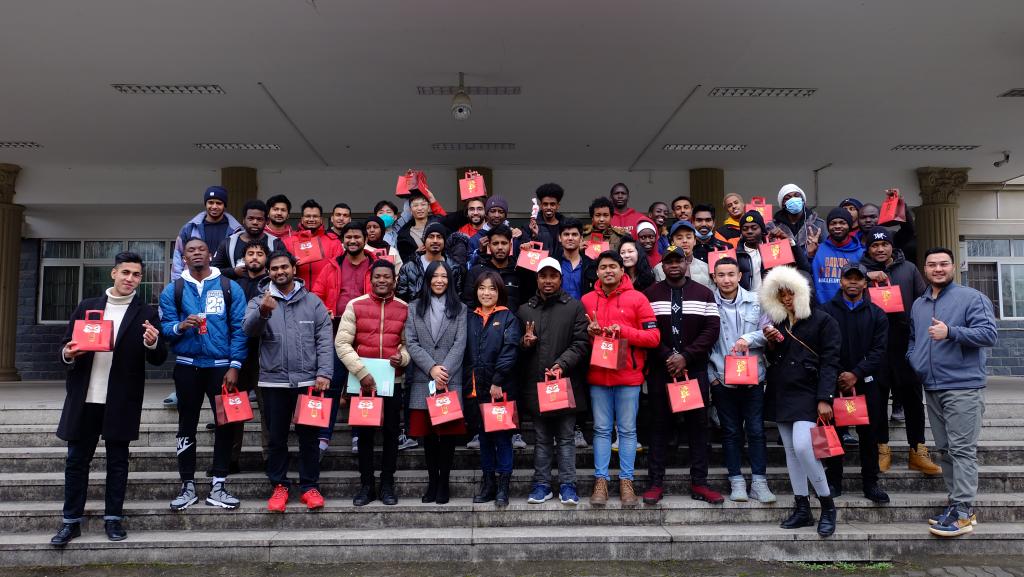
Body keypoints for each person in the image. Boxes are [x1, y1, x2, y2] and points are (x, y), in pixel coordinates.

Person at [50, 252, 167, 546]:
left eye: (136, 275)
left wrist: (153, 342)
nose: (130, 279)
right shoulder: (87, 306)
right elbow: (65, 346)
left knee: (117, 462)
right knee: (76, 461)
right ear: (113, 273)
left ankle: (113, 519)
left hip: (121, 399)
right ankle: (70, 522)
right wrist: (68, 353)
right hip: (85, 397)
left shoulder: (146, 313)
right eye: (125, 272)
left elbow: (159, 357)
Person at [908, 247, 998, 538]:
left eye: (944, 264)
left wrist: (951, 332)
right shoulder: (919, 304)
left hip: (963, 386)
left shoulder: (972, 298)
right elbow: (914, 338)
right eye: (932, 264)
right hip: (933, 386)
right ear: (925, 269)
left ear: (953, 267)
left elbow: (989, 334)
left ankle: (964, 512)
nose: (938, 269)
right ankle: (956, 504)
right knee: (945, 450)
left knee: (962, 450)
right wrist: (915, 359)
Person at [159, 238, 248, 511]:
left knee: (226, 425)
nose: (196, 253)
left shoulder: (229, 287)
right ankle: (187, 485)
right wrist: (180, 326)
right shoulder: (173, 289)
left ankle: (219, 485)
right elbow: (165, 328)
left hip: (222, 367)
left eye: (201, 249)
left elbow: (240, 329)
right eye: (191, 250)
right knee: (186, 425)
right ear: (184, 258)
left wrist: (235, 365)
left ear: (210, 255)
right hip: (187, 366)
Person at [243, 250, 334, 512]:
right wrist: (263, 312)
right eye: (274, 268)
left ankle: (309, 486)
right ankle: (279, 486)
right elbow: (248, 330)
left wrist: (324, 373)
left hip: (308, 381)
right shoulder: (259, 300)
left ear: (294, 269)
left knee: (309, 437)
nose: (280, 272)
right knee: (276, 438)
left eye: (284, 267)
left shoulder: (313, 302)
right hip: (274, 382)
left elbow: (324, 340)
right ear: (268, 272)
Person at [760, 265, 840, 538]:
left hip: (810, 391)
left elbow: (831, 362)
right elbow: (774, 359)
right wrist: (772, 344)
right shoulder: (778, 322)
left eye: (790, 293)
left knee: (805, 447)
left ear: (803, 292)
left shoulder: (824, 321)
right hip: (782, 390)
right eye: (781, 294)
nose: (786, 299)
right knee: (791, 452)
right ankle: (802, 507)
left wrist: (825, 398)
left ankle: (827, 505)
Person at [641, 245, 722, 505]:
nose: (674, 265)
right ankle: (655, 483)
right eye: (669, 262)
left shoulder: (704, 293)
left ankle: (699, 482)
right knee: (658, 427)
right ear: (662, 266)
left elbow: (712, 330)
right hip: (661, 370)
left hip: (694, 370)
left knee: (698, 428)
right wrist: (668, 356)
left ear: (687, 263)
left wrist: (686, 356)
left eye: (678, 261)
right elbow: (647, 330)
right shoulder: (650, 294)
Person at [859, 227, 941, 476]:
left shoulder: (909, 269)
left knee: (913, 398)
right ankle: (882, 448)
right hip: (875, 344)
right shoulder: (859, 270)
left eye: (884, 244)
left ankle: (918, 450)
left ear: (891, 246)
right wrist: (866, 276)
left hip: (906, 342)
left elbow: (923, 300)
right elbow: (849, 290)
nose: (880, 249)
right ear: (868, 249)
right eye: (875, 245)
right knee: (877, 399)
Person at [581, 251, 660, 507]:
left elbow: (653, 338)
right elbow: (579, 340)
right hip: (598, 375)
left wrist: (624, 331)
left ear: (622, 270)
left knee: (627, 430)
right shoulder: (586, 300)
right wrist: (591, 334)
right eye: (603, 267)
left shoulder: (638, 298)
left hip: (628, 376)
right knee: (601, 430)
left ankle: (627, 481)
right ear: (597, 272)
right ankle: (601, 480)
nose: (608, 271)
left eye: (613, 266)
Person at [335, 260, 411, 506]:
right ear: (371, 279)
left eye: (387, 277)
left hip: (392, 381)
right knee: (365, 435)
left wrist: (403, 358)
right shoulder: (355, 305)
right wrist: (361, 372)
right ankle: (366, 485)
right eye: (377, 276)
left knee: (391, 434)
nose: (382, 280)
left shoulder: (404, 308)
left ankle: (387, 484)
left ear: (394, 280)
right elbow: (342, 343)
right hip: (362, 383)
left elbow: (408, 344)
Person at [518, 258, 590, 506]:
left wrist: (562, 364)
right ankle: (541, 484)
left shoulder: (574, 307)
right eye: (543, 276)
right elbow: (515, 348)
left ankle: (568, 485)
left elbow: (581, 343)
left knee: (566, 437)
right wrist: (525, 343)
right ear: (537, 279)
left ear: (561, 279)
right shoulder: (525, 310)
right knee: (541, 438)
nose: (548, 281)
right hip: (536, 385)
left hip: (566, 384)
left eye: (553, 276)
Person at [819, 263, 890, 503]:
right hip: (834, 382)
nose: (852, 282)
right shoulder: (825, 311)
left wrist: (856, 373)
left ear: (865, 283)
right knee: (834, 434)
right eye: (848, 278)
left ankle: (870, 483)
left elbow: (879, 351)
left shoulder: (877, 313)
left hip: (866, 382)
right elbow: (822, 349)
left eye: (857, 279)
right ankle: (833, 481)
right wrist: (840, 375)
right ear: (840, 281)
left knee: (869, 436)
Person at [707, 256, 775, 504]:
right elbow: (703, 342)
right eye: (721, 275)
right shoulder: (708, 304)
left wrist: (749, 338)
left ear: (739, 276)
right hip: (722, 379)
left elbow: (769, 332)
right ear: (714, 278)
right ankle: (736, 480)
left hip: (753, 378)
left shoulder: (757, 301)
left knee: (756, 430)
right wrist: (712, 379)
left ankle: (759, 482)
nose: (726, 279)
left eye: (730, 274)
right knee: (731, 431)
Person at [311, 221, 380, 456]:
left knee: (362, 385)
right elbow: (316, 296)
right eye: (348, 237)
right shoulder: (332, 266)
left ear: (365, 240)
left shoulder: (376, 265)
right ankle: (323, 436)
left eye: (357, 237)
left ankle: (359, 434)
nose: (352, 241)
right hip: (336, 331)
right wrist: (324, 310)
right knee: (331, 384)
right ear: (343, 240)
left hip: (367, 332)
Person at [404, 261, 468, 505]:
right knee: (429, 437)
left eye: (444, 276)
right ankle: (432, 482)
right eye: (435, 276)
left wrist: (443, 371)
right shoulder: (413, 308)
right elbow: (411, 342)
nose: (440, 280)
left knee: (448, 436)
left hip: (450, 379)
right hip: (424, 378)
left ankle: (444, 483)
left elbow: (460, 343)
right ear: (427, 279)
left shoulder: (460, 309)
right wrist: (431, 368)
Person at [466, 271, 522, 508]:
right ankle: (488, 483)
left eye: (492, 289)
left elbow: (510, 351)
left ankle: (503, 486)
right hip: (476, 390)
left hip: (501, 389)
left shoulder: (508, 317)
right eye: (482, 288)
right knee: (484, 438)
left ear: (500, 292)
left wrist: (497, 381)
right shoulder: (470, 317)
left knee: (503, 438)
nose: (486, 293)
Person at [228, 240, 271, 471]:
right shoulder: (233, 284)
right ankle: (231, 459)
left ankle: (269, 458)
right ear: (243, 258)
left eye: (260, 253)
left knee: (268, 410)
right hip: (238, 354)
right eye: (250, 253)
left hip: (266, 354)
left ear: (267, 258)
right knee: (235, 406)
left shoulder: (272, 284)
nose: (255, 257)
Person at [171, 186, 242, 280]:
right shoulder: (189, 228)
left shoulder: (236, 230)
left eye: (219, 203)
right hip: (194, 281)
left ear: (224, 205)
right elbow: (178, 258)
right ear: (205, 204)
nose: (214, 206)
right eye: (211, 202)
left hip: (226, 281)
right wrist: (177, 284)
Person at [463, 224, 534, 312]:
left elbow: (528, 304)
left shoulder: (520, 271)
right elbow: (469, 305)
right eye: (495, 243)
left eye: (504, 243)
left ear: (510, 245)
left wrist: (528, 257)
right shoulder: (476, 272)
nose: (500, 247)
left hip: (513, 320)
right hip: (483, 320)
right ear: (489, 246)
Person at [211, 200, 284, 280]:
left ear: (266, 221)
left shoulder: (276, 243)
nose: (255, 222)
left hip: (267, 287)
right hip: (234, 287)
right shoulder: (227, 243)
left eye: (259, 219)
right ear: (243, 220)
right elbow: (213, 270)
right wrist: (233, 272)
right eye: (250, 218)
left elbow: (285, 269)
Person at [398, 222, 464, 304]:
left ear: (444, 241)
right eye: (431, 237)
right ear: (424, 241)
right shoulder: (409, 267)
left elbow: (457, 297)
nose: (435, 241)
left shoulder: (454, 267)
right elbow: (401, 299)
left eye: (439, 237)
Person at [811, 207, 865, 304]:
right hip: (822, 308)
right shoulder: (817, 249)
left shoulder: (861, 252)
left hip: (852, 308)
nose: (837, 226)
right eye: (833, 223)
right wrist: (809, 255)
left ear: (849, 226)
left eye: (842, 223)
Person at [283, 199, 339, 289]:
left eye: (315, 216)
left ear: (321, 220)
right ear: (302, 219)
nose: (311, 219)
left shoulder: (334, 242)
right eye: (308, 216)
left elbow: (338, 272)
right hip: (295, 293)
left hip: (324, 293)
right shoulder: (288, 242)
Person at [654, 220, 712, 290]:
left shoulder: (706, 268)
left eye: (689, 237)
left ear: (695, 241)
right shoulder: (659, 269)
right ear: (672, 242)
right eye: (679, 238)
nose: (685, 241)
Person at [773, 183, 826, 256]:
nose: (793, 199)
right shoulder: (774, 226)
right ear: (782, 204)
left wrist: (815, 251)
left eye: (797, 195)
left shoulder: (819, 224)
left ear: (803, 200)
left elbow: (827, 252)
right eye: (787, 198)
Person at [558, 218, 597, 301]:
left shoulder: (591, 265)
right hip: (557, 308)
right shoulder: (552, 263)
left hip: (583, 308)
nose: (570, 238)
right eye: (566, 234)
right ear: (560, 238)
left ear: (581, 238)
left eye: (574, 234)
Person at [529, 183, 566, 257]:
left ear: (558, 206)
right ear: (541, 205)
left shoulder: (566, 226)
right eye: (545, 204)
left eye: (552, 204)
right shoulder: (531, 226)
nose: (549, 207)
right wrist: (535, 236)